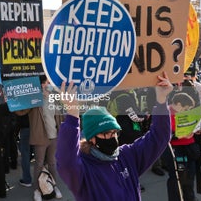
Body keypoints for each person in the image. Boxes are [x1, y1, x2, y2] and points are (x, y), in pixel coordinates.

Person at [56, 72, 173, 201]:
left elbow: (159, 137)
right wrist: (72, 115)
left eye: (114, 132)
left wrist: (162, 101)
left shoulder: (127, 155)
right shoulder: (84, 169)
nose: (112, 137)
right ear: (91, 139)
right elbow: (66, 162)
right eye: (106, 133)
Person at [30, 75, 63, 201]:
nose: (49, 85)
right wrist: (12, 101)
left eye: (50, 82)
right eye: (47, 82)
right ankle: (37, 190)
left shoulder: (55, 98)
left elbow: (60, 116)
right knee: (38, 164)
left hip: (54, 137)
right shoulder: (35, 99)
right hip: (40, 138)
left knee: (52, 163)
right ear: (42, 84)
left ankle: (53, 186)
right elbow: (21, 111)